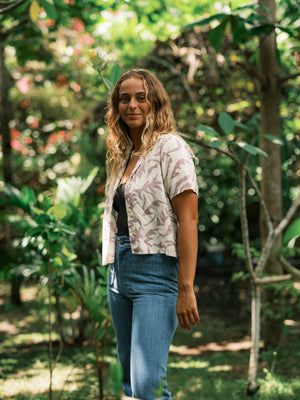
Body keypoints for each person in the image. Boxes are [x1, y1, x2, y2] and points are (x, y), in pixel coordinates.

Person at [102, 68, 199, 400]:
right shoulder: (124, 154)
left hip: (156, 273)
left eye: (141, 97)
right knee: (129, 384)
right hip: (119, 272)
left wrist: (185, 288)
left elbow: (188, 220)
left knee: (148, 386)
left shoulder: (170, 148)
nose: (132, 105)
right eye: (124, 98)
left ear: (155, 102)